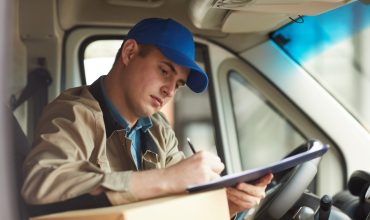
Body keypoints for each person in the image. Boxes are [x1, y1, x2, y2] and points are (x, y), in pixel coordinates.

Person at [21, 17, 273, 218]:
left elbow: (180, 210)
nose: (170, 90)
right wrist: (166, 179)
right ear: (130, 53)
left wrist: (227, 205)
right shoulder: (75, 112)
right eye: (165, 71)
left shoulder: (158, 129)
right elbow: (41, 185)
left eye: (179, 84)